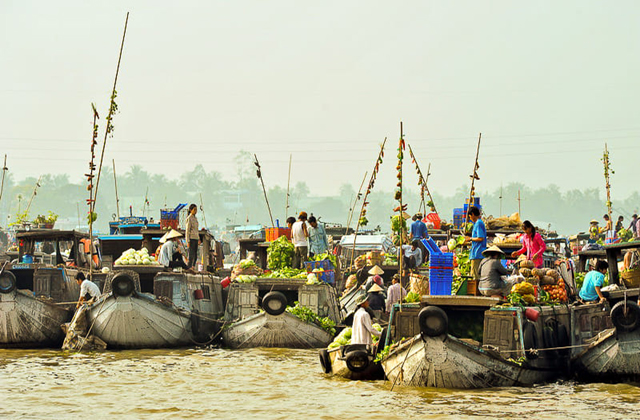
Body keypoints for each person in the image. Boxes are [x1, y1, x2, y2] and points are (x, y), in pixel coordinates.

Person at [466, 206, 487, 283]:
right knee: (476, 274)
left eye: (470, 216)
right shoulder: (477, 223)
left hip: (478, 253)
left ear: (473, 214)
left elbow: (480, 238)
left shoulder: (478, 223)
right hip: (476, 252)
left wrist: (470, 238)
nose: (470, 218)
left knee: (476, 275)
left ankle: (477, 292)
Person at [185, 204, 199, 268]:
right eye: (194, 210)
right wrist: (187, 241)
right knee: (191, 255)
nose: (195, 211)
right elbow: (187, 230)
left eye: (196, 210)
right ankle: (189, 267)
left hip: (196, 238)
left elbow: (196, 229)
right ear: (191, 210)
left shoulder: (195, 218)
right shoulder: (189, 218)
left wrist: (199, 239)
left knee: (195, 255)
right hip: (191, 238)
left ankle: (193, 267)